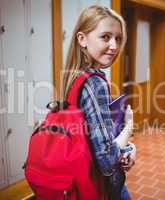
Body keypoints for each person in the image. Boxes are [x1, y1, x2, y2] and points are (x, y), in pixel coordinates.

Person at [61, 5, 136, 200]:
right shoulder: (95, 83)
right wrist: (129, 128)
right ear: (82, 39)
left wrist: (125, 148)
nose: (114, 46)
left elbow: (92, 139)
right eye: (106, 37)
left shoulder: (75, 77)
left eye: (118, 38)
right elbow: (107, 161)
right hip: (102, 188)